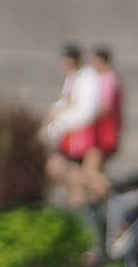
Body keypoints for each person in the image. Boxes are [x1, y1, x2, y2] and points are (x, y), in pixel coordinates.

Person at [44, 44, 124, 209]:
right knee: (73, 174)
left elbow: (97, 109)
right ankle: (84, 207)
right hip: (82, 137)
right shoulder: (80, 78)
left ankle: (119, 201)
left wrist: (65, 118)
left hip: (97, 137)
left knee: (89, 174)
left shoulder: (102, 79)